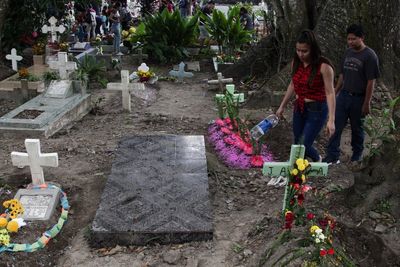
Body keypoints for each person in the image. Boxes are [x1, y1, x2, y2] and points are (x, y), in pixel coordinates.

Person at [276, 30, 336, 162]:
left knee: (304, 144)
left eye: (304, 51)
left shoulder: (324, 66)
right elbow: (292, 85)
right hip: (299, 107)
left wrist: (331, 120)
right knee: (297, 142)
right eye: (298, 50)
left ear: (313, 49)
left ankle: (317, 159)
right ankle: (300, 168)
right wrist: (282, 107)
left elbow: (330, 93)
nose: (301, 54)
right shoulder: (296, 63)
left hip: (317, 109)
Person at [324, 24, 380, 164]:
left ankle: (357, 156)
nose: (350, 42)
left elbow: (370, 82)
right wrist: (335, 92)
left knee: (357, 129)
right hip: (343, 96)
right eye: (348, 39)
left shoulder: (370, 56)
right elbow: (342, 75)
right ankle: (332, 155)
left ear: (362, 38)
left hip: (359, 98)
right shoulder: (348, 53)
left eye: (353, 39)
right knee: (336, 125)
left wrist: (366, 103)